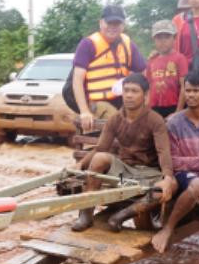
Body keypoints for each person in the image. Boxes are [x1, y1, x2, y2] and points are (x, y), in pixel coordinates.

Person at [72, 73, 175, 232]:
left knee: (165, 188)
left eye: (134, 91)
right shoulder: (115, 119)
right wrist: (81, 163)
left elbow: (163, 152)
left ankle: (119, 217)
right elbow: (100, 148)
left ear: (146, 95)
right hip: (123, 175)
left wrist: (168, 177)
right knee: (100, 157)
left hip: (147, 175)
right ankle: (86, 214)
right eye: (126, 90)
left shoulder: (155, 120)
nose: (129, 95)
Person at [151, 71, 199, 258]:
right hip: (182, 176)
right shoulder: (174, 122)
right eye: (187, 90)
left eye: (196, 91)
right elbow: (175, 162)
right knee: (197, 183)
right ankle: (168, 228)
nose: (190, 95)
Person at [64, 4, 146, 133]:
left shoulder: (128, 44)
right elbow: (77, 81)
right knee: (122, 127)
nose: (113, 27)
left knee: (145, 124)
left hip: (122, 101)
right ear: (101, 23)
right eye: (109, 23)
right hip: (98, 101)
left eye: (117, 23)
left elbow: (142, 73)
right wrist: (84, 111)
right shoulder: (88, 44)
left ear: (123, 25)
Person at [144, 19, 189, 118]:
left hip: (174, 106)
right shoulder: (151, 60)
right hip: (154, 107)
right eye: (159, 38)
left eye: (167, 37)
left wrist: (178, 112)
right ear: (154, 40)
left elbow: (184, 87)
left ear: (174, 38)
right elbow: (148, 87)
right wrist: (147, 109)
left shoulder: (180, 58)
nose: (163, 41)